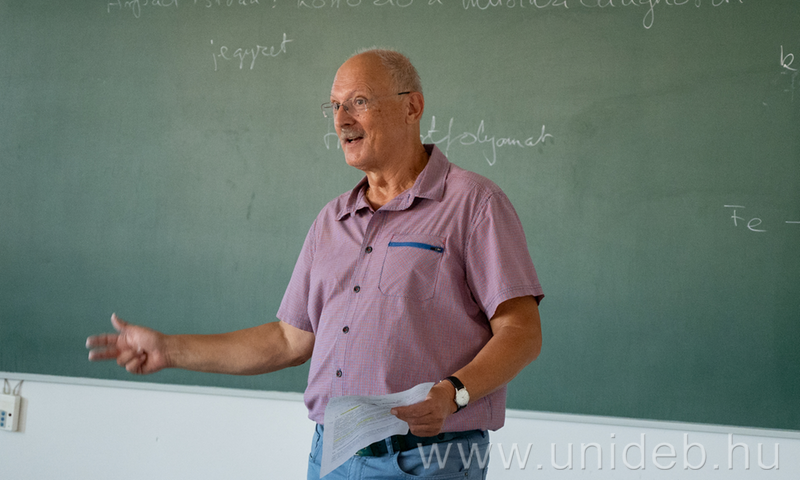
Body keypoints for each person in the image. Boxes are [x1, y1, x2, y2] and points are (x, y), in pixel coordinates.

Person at [86, 48, 544, 479]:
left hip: (427, 460)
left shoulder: (474, 204)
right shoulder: (332, 220)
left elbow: (520, 332)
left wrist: (452, 394)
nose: (342, 120)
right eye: (335, 106)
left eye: (359, 102)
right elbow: (288, 339)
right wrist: (169, 350)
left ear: (412, 106)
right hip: (332, 455)